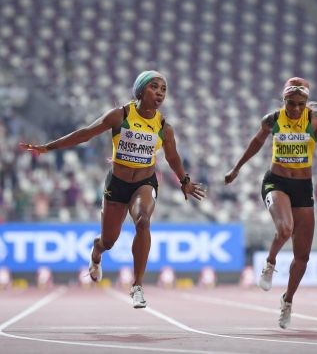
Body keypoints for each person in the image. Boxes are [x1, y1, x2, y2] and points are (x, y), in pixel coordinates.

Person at [20, 70, 205, 308]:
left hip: (144, 183)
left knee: (143, 221)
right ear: (140, 91)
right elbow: (85, 134)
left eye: (163, 89)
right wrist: (48, 147)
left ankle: (137, 286)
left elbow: (173, 157)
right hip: (117, 185)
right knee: (108, 241)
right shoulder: (120, 115)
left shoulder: (164, 128)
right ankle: (96, 254)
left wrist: (184, 181)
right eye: (154, 87)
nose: (160, 92)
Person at [225, 77, 317, 329]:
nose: (296, 109)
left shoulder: (316, 119)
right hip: (276, 183)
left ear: (307, 102)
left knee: (302, 256)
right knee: (285, 229)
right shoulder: (273, 119)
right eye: (291, 103)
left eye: (301, 104)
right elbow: (256, 143)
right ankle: (270, 263)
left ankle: (287, 301)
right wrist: (236, 168)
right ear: (284, 101)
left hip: (303, 187)